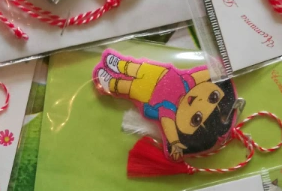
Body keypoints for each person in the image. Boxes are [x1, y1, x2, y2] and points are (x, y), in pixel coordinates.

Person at [94, 50, 237, 160]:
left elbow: (167, 123)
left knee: (129, 88)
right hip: (156, 72)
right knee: (135, 68)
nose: (199, 103)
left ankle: (112, 84)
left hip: (147, 93)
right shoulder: (189, 82)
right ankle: (120, 65)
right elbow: (202, 75)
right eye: (212, 97)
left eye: (196, 119)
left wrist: (174, 142)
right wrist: (217, 70)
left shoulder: (170, 109)